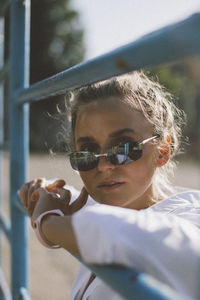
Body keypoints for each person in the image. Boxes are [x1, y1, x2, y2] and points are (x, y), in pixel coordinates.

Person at [20, 71, 200, 300]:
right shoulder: (113, 205)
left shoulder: (191, 214)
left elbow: (139, 236)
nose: (103, 166)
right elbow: (98, 215)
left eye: (123, 148)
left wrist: (47, 223)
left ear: (162, 151)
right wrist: (45, 192)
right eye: (87, 153)